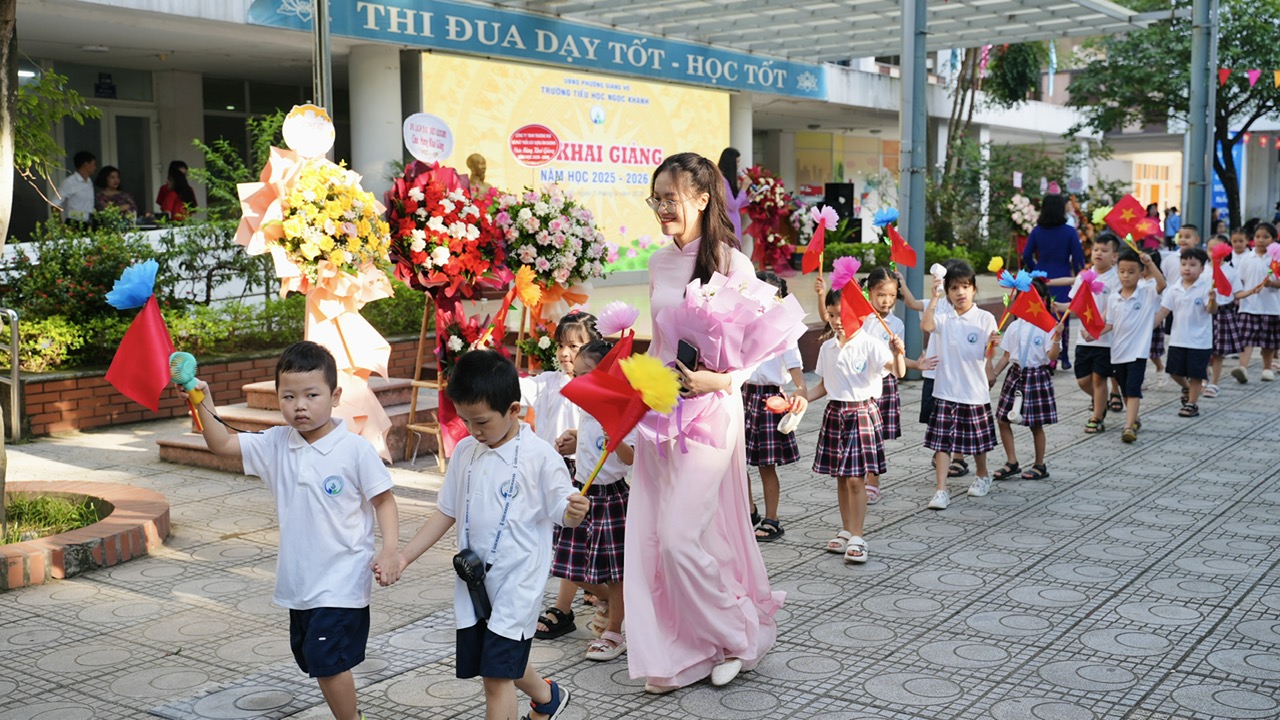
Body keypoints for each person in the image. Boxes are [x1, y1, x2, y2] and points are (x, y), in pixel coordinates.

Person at [628, 152, 785, 693]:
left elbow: (757, 351)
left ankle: (742, 633)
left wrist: (719, 382)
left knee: (678, 536)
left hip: (713, 415)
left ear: (701, 197)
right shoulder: (657, 263)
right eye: (657, 199)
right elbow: (662, 341)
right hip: (661, 415)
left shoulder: (731, 263)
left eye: (670, 199)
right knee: (663, 536)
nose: (662, 209)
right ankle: (687, 650)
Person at [178, 341, 400, 720]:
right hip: (299, 583)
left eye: (312, 395)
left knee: (324, 659)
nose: (300, 405)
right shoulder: (276, 444)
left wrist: (391, 550)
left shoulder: (354, 450)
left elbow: (384, 500)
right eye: (289, 396)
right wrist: (202, 398)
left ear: (335, 397)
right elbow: (221, 444)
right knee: (311, 658)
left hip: (342, 581)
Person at [394, 350, 588, 720]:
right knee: (497, 660)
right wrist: (405, 556)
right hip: (474, 582)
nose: (473, 430)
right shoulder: (467, 451)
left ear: (514, 410)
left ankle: (544, 699)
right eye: (465, 420)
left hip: (518, 583)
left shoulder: (540, 456)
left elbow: (564, 512)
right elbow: (446, 511)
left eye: (481, 421)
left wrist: (574, 512)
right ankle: (548, 698)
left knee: (495, 678)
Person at [550, 339, 635, 662]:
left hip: (611, 497)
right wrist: (572, 443)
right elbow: (589, 445)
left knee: (616, 573)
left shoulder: (620, 408)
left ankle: (615, 632)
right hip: (580, 491)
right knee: (569, 565)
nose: (578, 380)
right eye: (577, 374)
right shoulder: (586, 408)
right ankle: (611, 602)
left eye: (586, 374)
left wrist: (616, 436)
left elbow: (630, 459)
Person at [809, 283, 905, 562]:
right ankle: (846, 529)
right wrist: (800, 398)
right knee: (841, 477)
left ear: (857, 313)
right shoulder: (827, 347)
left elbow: (897, 372)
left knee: (855, 479)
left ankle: (859, 535)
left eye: (841, 314)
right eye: (831, 315)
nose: (837, 321)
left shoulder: (871, 344)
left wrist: (898, 352)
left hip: (862, 413)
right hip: (835, 414)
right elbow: (824, 386)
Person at [527, 311, 601, 640]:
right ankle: (597, 593)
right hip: (550, 472)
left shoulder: (596, 389)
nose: (565, 353)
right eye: (561, 346)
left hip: (582, 475)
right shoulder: (549, 382)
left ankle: (565, 608)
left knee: (571, 545)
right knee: (566, 545)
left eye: (575, 345)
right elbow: (519, 387)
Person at [920, 260, 999, 509]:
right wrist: (934, 298)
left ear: (974, 289)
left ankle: (982, 475)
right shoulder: (944, 317)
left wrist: (994, 345)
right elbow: (926, 325)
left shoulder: (985, 318)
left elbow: (988, 355)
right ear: (947, 292)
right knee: (942, 443)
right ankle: (941, 490)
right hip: (945, 391)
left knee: (977, 442)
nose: (960, 292)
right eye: (953, 288)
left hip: (974, 393)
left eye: (965, 286)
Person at [743, 270, 807, 541]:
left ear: (781, 300)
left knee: (766, 466)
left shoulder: (786, 331)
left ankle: (772, 519)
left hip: (769, 400)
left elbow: (795, 366)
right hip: (742, 396)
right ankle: (749, 511)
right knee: (735, 462)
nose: (764, 303)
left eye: (771, 297)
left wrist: (801, 390)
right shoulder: (742, 324)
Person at [1089, 249, 1166, 443]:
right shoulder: (1113, 298)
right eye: (1122, 271)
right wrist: (1094, 334)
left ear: (1141, 273)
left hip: (1137, 353)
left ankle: (1128, 427)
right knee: (1125, 389)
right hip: (1118, 353)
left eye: (1131, 271)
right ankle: (1135, 418)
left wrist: (1150, 263)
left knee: (1133, 389)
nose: (1126, 275)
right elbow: (1110, 324)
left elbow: (1162, 284)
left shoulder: (1147, 292)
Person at [989, 278, 1062, 481]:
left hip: (1037, 376)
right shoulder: (1015, 326)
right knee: (1003, 419)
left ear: (1044, 300)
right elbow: (1006, 355)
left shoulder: (1048, 326)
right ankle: (1012, 461)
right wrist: (993, 374)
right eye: (1022, 298)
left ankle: (1040, 464)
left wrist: (1057, 338)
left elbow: (1053, 356)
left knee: (1035, 424)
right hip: (1015, 374)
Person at [863, 268, 924, 503]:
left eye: (890, 294)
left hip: (885, 385)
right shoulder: (859, 319)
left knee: (876, 436)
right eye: (880, 294)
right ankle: (858, 476)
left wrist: (917, 365)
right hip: (862, 384)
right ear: (869, 293)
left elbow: (897, 361)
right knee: (861, 434)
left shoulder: (896, 324)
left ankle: (873, 481)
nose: (886, 300)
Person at [1055, 232, 1122, 434]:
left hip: (1105, 340)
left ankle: (1097, 417)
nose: (1098, 253)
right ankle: (1100, 400)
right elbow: (1075, 305)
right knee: (1082, 380)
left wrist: (1098, 329)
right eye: (1095, 250)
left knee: (1099, 378)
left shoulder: (1117, 279)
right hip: (1083, 338)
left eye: (1104, 250)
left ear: (1115, 256)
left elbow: (1112, 308)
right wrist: (1058, 306)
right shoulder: (1084, 277)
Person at [1022, 193, 1085, 368]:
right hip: (1063, 276)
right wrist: (1080, 277)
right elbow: (1078, 258)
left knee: (1042, 315)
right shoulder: (1069, 232)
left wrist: (1034, 270)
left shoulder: (1037, 231)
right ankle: (1063, 357)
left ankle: (1046, 356)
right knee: (1062, 316)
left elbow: (1026, 254)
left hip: (1042, 278)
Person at [1155, 247, 1214, 417]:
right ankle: (1187, 389)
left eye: (1192, 265)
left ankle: (1191, 404)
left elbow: (1211, 310)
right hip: (1178, 339)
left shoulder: (1205, 287)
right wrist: (1147, 326)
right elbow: (1162, 312)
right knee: (1173, 371)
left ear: (1202, 269)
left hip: (1200, 341)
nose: (1187, 268)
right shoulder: (1174, 289)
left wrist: (1212, 300)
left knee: (1196, 373)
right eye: (1184, 264)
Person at [1231, 222, 1280, 383]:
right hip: (1248, 306)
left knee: (1268, 341)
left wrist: (1271, 284)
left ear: (1273, 239)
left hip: (1271, 306)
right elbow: (1240, 280)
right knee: (1246, 339)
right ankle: (1243, 367)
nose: (1261, 240)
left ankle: (1266, 368)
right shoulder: (1246, 258)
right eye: (1258, 236)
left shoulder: (1276, 258)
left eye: (1266, 237)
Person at [1206, 234, 1244, 397]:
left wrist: (1252, 291)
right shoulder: (1202, 270)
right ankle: (1203, 378)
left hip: (1223, 313)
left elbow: (1238, 293)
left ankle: (1214, 382)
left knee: (1218, 352)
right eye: (1209, 249)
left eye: (1216, 249)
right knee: (1203, 350)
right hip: (1204, 314)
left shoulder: (1230, 271)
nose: (1212, 253)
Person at [56, 151, 97, 224]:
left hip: (89, 222)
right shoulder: (69, 182)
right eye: (93, 165)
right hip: (74, 222)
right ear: (86, 165)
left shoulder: (89, 182)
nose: (95, 168)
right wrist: (60, 225)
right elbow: (55, 204)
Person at [717, 147, 749, 242]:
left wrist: (749, 199)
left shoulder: (725, 179)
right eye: (737, 162)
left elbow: (735, 203)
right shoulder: (722, 181)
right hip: (728, 223)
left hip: (733, 221)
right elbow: (732, 206)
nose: (739, 165)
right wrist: (743, 189)